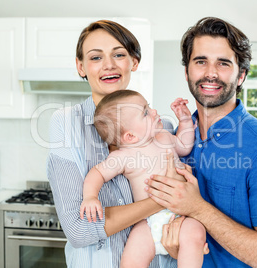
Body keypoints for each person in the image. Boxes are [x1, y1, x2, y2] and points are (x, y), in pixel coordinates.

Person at [145, 17, 257, 268]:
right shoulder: (173, 142)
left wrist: (197, 208)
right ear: (187, 71)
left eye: (223, 63)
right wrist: (172, 243)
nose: (210, 73)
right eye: (201, 61)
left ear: (241, 76)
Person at [47, 20, 180, 268]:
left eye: (119, 54)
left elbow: (186, 206)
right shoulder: (67, 123)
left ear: (134, 62)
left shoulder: (161, 127)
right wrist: (165, 200)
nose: (109, 64)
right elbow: (79, 230)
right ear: (81, 66)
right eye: (96, 57)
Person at [79, 89, 206, 268]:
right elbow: (97, 173)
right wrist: (90, 197)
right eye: (146, 112)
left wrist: (185, 121)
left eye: (150, 107)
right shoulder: (123, 157)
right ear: (130, 136)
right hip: (148, 221)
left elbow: (184, 146)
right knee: (131, 260)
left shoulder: (164, 138)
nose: (154, 112)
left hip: (182, 216)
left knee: (195, 235)